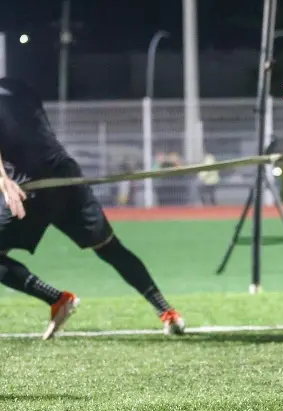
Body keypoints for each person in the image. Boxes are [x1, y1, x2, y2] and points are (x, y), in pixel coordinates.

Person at [0, 77, 185, 339]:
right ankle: (167, 312)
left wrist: (3, 179)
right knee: (110, 248)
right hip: (66, 175)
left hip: (32, 187)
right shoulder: (19, 86)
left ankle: (57, 299)